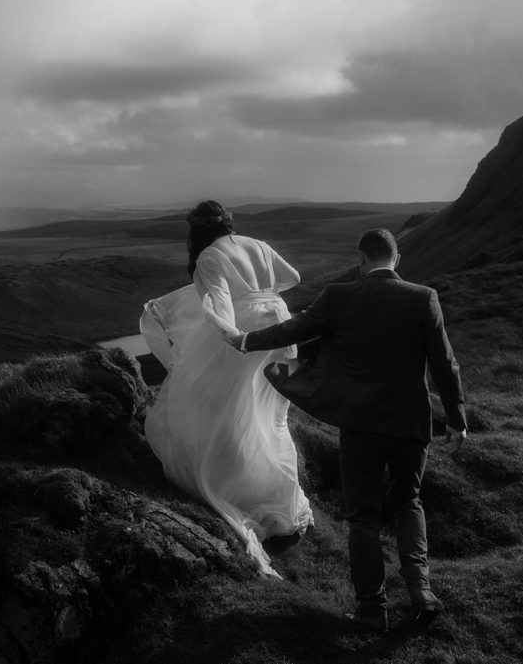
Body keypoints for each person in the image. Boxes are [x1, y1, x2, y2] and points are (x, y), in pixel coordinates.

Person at [226, 227, 467, 632]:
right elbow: (445, 361)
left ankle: (373, 609)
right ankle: (421, 593)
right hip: (410, 423)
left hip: (360, 425)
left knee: (364, 518)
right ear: (397, 259)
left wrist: (246, 339)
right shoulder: (424, 298)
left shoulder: (339, 297)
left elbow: (292, 330)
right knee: (408, 502)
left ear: (360, 259)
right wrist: (457, 419)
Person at [141, 200, 313, 578]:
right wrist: (262, 293)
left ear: (197, 230)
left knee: (222, 405)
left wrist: (235, 337)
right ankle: (272, 493)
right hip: (281, 327)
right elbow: (293, 277)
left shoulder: (207, 256)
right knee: (268, 415)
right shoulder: (258, 244)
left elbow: (220, 305)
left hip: (247, 332)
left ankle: (232, 485)